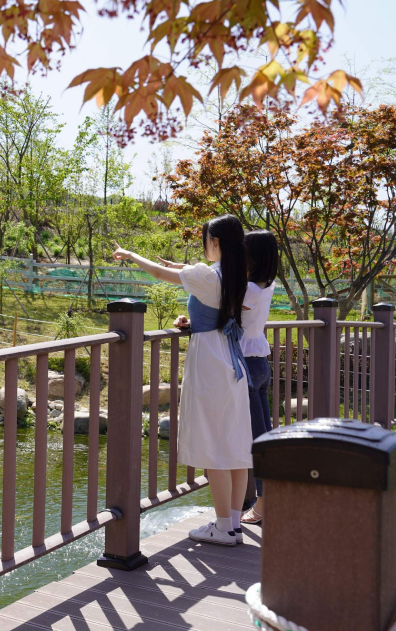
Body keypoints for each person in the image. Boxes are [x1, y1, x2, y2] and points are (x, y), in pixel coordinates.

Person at [113, 214, 252, 547]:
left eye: (206, 239)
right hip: (231, 358)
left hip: (211, 361)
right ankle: (232, 523)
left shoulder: (207, 276)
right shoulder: (234, 275)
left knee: (215, 444)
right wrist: (194, 322)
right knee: (233, 443)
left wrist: (131, 255)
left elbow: (162, 275)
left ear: (215, 242)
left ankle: (221, 528)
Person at [239, 230, 279, 525]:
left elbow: (221, 315)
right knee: (263, 438)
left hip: (247, 365)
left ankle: (264, 507)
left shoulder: (250, 289)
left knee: (257, 442)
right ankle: (266, 501)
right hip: (259, 363)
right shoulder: (267, 285)